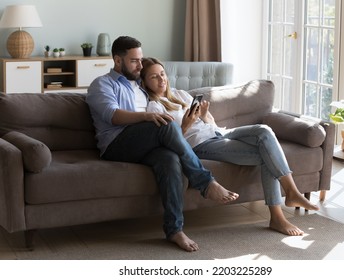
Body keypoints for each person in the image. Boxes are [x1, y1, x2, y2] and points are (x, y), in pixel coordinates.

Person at [85, 36, 239, 252]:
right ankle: (205, 182)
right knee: (165, 125)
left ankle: (174, 230)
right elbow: (113, 116)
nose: (140, 65)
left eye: (140, 60)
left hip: (144, 144)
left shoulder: (139, 86)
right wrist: (146, 118)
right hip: (116, 144)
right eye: (134, 61)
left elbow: (163, 89)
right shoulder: (102, 84)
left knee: (170, 159)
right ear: (117, 61)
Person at [140, 57, 320, 236]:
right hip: (200, 145)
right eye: (154, 77)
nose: (161, 79)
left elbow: (210, 122)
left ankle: (291, 192)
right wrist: (186, 124)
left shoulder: (181, 94)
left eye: (162, 74)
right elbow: (171, 140)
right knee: (268, 156)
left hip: (218, 132)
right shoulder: (154, 108)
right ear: (145, 82)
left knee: (264, 130)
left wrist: (203, 115)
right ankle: (278, 216)